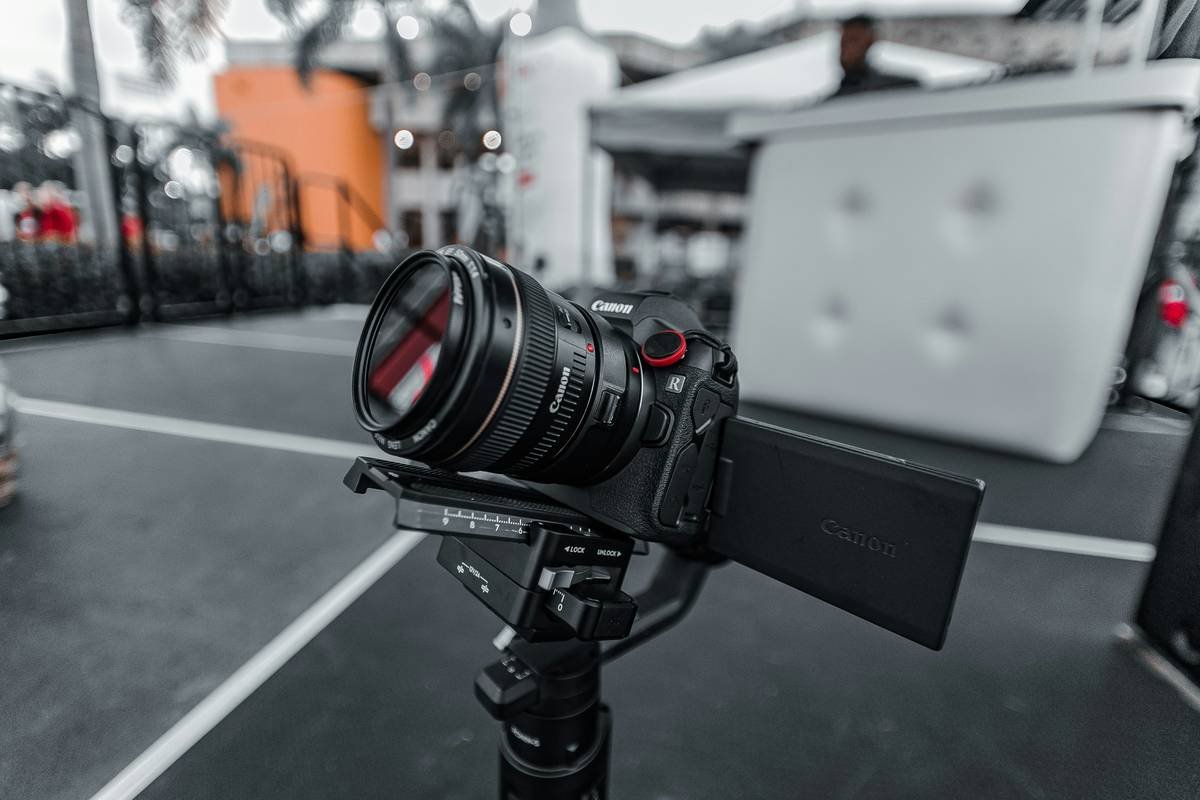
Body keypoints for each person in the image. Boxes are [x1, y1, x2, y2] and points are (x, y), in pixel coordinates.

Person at [832, 15, 919, 98]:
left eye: (854, 40)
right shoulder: (836, 100)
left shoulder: (900, 87)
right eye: (844, 43)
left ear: (870, 42)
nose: (847, 49)